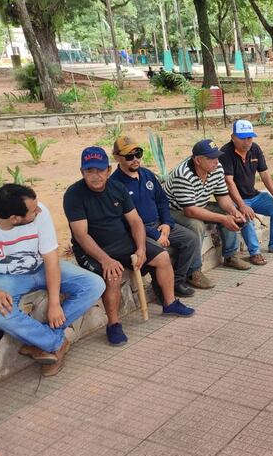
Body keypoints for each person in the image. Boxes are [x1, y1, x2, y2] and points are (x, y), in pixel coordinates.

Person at [64, 147, 194, 346]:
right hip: (93, 249)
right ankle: (114, 325)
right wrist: (105, 260)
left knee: (162, 257)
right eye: (89, 171)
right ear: (82, 172)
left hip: (122, 241)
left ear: (108, 170)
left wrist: (141, 248)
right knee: (113, 275)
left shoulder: (117, 188)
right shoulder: (74, 194)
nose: (96, 176)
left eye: (99, 170)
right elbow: (81, 236)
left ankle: (169, 303)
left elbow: (135, 221)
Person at [0, 184, 105, 376]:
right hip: (7, 276)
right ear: (14, 219)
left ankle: (39, 342)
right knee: (0, 314)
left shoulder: (41, 212)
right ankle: (56, 343)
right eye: (33, 210)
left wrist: (54, 303)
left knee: (94, 284)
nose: (39, 210)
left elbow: (52, 260)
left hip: (42, 266)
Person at [109, 136, 208, 296]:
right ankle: (160, 288)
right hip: (139, 231)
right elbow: (125, 221)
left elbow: (162, 200)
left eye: (138, 154)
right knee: (159, 252)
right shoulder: (115, 184)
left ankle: (177, 281)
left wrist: (167, 224)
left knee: (191, 239)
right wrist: (156, 235)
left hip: (159, 223)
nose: (135, 159)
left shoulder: (147, 174)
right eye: (129, 156)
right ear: (116, 157)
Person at [164, 139, 252, 271]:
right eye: (211, 158)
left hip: (199, 204)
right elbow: (190, 211)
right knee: (196, 225)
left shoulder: (217, 168)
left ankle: (231, 256)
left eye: (217, 157)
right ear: (198, 160)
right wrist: (222, 218)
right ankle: (193, 271)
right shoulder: (183, 175)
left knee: (230, 213)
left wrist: (233, 211)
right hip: (174, 209)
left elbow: (222, 197)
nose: (216, 161)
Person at [219, 120, 273, 266]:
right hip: (236, 200)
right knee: (245, 216)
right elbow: (229, 182)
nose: (247, 142)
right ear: (233, 136)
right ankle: (254, 252)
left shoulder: (255, 149)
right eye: (243, 138)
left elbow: (265, 174)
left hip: (254, 195)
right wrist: (241, 205)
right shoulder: (225, 153)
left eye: (250, 137)